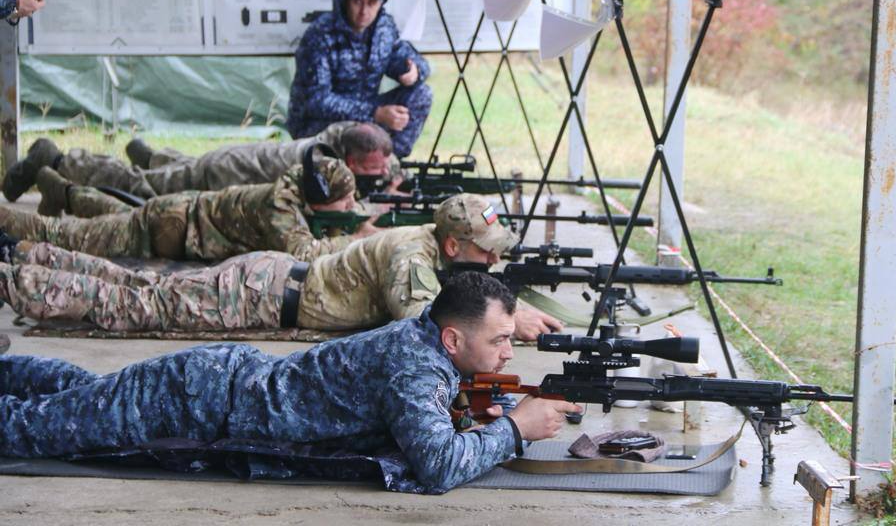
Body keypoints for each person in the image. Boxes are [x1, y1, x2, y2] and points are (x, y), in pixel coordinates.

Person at [0, 272, 583, 493]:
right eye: (500, 340)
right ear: (453, 340)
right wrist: (515, 429)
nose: (509, 351)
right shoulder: (414, 366)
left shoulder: (426, 340)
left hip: (214, 387)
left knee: (78, 395)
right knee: (34, 431)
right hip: (196, 402)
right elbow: (437, 466)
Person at [0, 193, 563, 340]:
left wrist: (511, 306)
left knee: (144, 287)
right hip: (259, 295)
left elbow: (459, 290)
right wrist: (505, 323)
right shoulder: (413, 256)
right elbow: (420, 328)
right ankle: (15, 278)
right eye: (487, 249)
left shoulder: (427, 239)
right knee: (134, 305)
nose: (496, 258)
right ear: (451, 247)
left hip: (268, 281)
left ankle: (30, 255)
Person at [0, 145, 370, 262]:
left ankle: (59, 188)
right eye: (348, 199)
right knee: (69, 236)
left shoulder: (299, 193)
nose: (355, 205)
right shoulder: (281, 207)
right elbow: (303, 253)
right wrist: (359, 238)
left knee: (114, 214)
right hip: (167, 227)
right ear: (320, 196)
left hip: (176, 216)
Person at [2, 122, 401, 203]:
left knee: (164, 172)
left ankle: (155, 155)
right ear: (349, 159)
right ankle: (58, 158)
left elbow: (378, 156)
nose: (380, 175)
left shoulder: (342, 135)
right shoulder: (324, 164)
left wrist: (388, 175)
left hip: (233, 160)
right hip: (221, 172)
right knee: (144, 187)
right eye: (372, 169)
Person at [287, 0, 432, 158]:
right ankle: (361, 163)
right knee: (354, 131)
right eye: (357, 2)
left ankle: (388, 162)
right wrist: (375, 113)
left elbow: (409, 58)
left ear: (380, 3)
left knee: (421, 94)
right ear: (343, 0)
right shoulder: (320, 35)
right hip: (318, 124)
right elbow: (317, 101)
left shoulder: (384, 28)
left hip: (367, 114)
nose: (364, 11)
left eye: (371, 2)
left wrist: (413, 71)